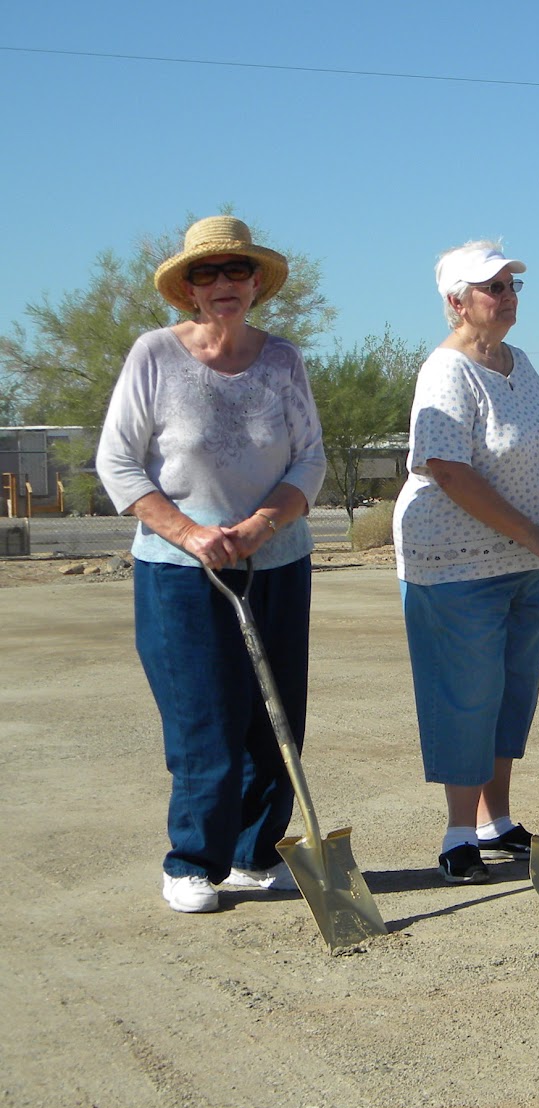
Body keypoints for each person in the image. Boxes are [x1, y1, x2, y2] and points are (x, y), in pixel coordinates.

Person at [96, 215, 326, 914]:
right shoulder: (155, 356)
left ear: (256, 283)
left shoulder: (282, 360)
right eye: (207, 273)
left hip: (278, 561)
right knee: (205, 718)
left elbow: (308, 458)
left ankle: (257, 854)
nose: (223, 284)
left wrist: (263, 522)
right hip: (180, 572)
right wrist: (191, 533)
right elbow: (118, 462)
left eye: (236, 272)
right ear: (188, 290)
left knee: (276, 715)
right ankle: (193, 860)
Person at [393, 241, 539, 884]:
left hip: (525, 553)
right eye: (492, 288)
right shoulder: (446, 371)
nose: (506, 298)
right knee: (466, 695)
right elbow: (448, 470)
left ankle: (494, 819)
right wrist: (535, 533)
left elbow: (530, 439)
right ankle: (457, 830)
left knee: (511, 693)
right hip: (454, 559)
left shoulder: (517, 362)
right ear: (456, 303)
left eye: (511, 287)